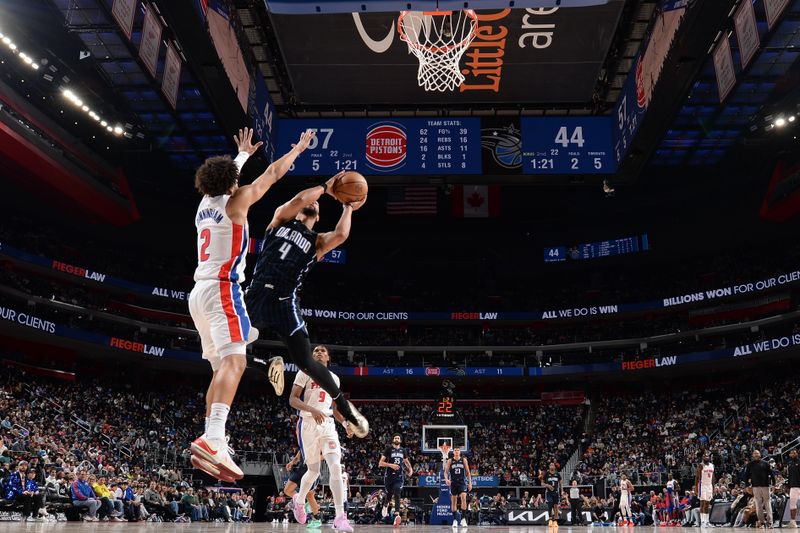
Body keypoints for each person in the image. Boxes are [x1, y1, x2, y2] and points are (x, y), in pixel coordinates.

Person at [189, 127, 315, 482]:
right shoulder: (237, 201)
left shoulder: (205, 204)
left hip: (198, 294)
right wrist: (299, 148)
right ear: (232, 183)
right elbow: (273, 175)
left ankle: (210, 437)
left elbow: (225, 177)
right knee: (236, 361)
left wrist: (242, 155)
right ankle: (214, 437)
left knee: (221, 369)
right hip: (224, 289)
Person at [244, 177, 369, 439]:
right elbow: (300, 199)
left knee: (306, 362)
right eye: (309, 201)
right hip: (254, 296)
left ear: (318, 216)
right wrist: (326, 187)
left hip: (284, 302)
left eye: (317, 205)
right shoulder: (279, 220)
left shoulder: (317, 241)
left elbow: (342, 235)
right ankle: (266, 365)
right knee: (223, 348)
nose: (311, 203)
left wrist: (347, 206)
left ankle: (346, 410)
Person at [290, 345, 355, 532]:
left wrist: (345, 424)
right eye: (315, 350)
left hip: (327, 424)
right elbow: (293, 399)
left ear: (328, 357)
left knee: (335, 465)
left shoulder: (334, 378)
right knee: (313, 471)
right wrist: (312, 410)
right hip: (308, 424)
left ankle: (340, 517)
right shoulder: (304, 372)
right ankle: (299, 501)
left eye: (322, 351)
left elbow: (335, 409)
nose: (318, 352)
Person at [378, 434, 414, 525]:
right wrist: (391, 465)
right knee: (389, 494)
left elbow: (406, 461)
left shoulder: (403, 450)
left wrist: (410, 469)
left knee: (397, 492)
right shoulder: (388, 449)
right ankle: (385, 505)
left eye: (398, 438)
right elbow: (380, 463)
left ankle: (396, 515)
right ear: (393, 440)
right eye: (395, 438)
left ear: (400, 440)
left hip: (399, 477)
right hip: (389, 476)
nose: (397, 439)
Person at [283, 450, 321, 527]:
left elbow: (325, 455)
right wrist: (292, 462)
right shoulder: (304, 439)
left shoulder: (319, 439)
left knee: (309, 495)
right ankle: (300, 502)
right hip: (301, 468)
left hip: (312, 469)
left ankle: (317, 520)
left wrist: (313, 458)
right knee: (287, 490)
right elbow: (301, 451)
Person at [444, 446, 472, 529]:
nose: (456, 451)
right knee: (454, 501)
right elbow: (446, 472)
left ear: (460, 452)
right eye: (455, 450)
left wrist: (470, 483)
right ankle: (455, 520)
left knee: (463, 497)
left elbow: (468, 472)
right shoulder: (450, 461)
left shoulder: (464, 460)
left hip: (462, 482)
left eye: (458, 450)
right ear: (453, 452)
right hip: (453, 482)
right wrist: (446, 479)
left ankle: (463, 519)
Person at [745, 449, 774, 528]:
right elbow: (746, 475)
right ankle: (761, 522)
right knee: (758, 505)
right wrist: (747, 485)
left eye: (757, 453)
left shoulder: (766, 463)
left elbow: (771, 474)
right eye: (754, 453)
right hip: (755, 487)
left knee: (768, 504)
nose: (756, 454)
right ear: (753, 455)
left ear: (760, 454)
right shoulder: (750, 464)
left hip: (766, 486)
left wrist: (773, 484)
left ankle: (770, 522)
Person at [696, 454, 715, 528]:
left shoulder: (712, 465)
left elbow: (713, 477)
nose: (706, 457)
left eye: (707, 456)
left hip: (709, 485)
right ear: (702, 458)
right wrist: (696, 489)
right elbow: (697, 477)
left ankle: (707, 522)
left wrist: (713, 487)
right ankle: (702, 522)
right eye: (704, 456)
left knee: (707, 504)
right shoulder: (701, 465)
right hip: (702, 485)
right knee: (702, 503)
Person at [542, 463, 561, 528]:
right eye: (550, 465)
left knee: (556, 506)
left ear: (554, 467)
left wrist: (562, 490)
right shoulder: (546, 474)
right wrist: (548, 485)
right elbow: (542, 483)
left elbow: (561, 483)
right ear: (549, 467)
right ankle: (550, 520)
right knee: (550, 505)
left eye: (553, 465)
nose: (552, 466)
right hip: (548, 492)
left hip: (556, 492)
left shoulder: (557, 474)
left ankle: (555, 521)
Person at [786, 449, 800, 528]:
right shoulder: (789, 463)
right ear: (790, 455)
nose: (793, 454)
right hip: (793, 486)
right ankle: (792, 522)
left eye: (795, 452)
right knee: (792, 505)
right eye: (792, 453)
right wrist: (788, 486)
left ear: (797, 453)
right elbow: (789, 476)